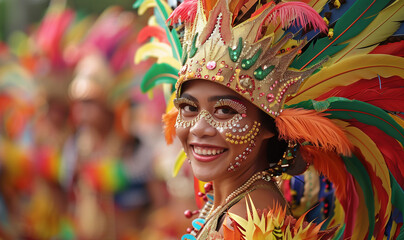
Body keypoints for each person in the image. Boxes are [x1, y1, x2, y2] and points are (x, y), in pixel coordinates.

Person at [135, 0, 404, 239]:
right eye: (188, 108)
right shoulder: (234, 204)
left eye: (225, 111)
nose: (199, 128)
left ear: (268, 126)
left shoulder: (252, 221)